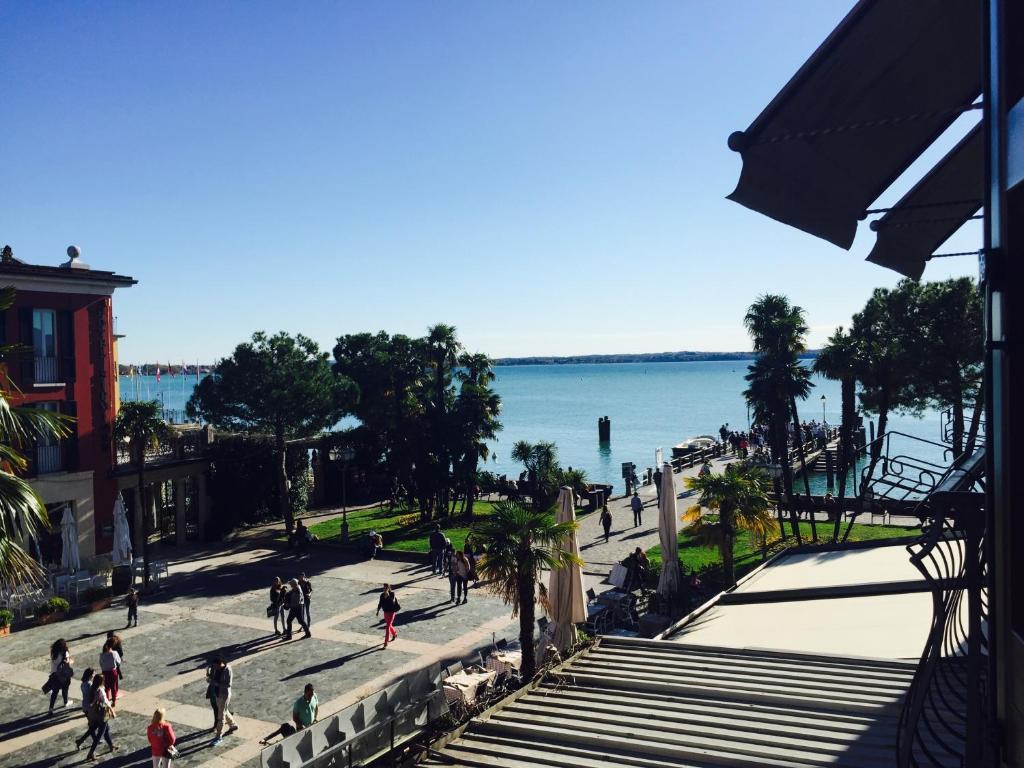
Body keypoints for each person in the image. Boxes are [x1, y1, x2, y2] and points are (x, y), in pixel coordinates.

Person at [84, 672, 118, 760]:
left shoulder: (93, 688)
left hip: (95, 714)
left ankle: (111, 746)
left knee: (106, 730)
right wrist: (112, 711)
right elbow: (106, 701)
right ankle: (91, 753)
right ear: (101, 681)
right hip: (102, 714)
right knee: (100, 734)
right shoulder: (100, 690)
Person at [210, 656, 237, 746]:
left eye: (217, 665)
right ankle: (232, 724)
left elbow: (228, 684)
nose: (216, 667)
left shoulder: (227, 670)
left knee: (220, 716)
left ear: (222, 662)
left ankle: (219, 736)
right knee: (224, 711)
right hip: (217, 693)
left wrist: (216, 683)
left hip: (224, 694)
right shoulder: (216, 668)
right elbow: (214, 678)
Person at [46, 638, 75, 713]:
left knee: (54, 692)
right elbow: (67, 663)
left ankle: (51, 708)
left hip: (54, 674)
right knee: (65, 689)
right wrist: (71, 661)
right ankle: (66, 702)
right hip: (63, 675)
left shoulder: (53, 652)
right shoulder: (65, 653)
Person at [74, 668, 95, 749]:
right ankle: (80, 740)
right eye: (93, 674)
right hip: (90, 707)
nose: (94, 675)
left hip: (85, 706)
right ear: (90, 675)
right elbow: (91, 696)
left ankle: (94, 738)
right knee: (93, 725)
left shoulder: (83, 684)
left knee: (92, 725)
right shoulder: (90, 684)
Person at [99, 639, 122, 707]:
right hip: (113, 672)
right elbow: (119, 661)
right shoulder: (114, 653)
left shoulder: (101, 655)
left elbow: (101, 664)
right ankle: (114, 701)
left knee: (106, 688)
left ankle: (107, 700)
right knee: (113, 687)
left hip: (105, 672)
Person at [204, 664, 219, 730]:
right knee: (216, 708)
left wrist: (211, 681)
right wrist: (208, 672)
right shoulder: (214, 668)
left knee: (216, 709)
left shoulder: (220, 672)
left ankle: (216, 724)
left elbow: (219, 683)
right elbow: (211, 677)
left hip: (217, 693)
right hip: (212, 692)